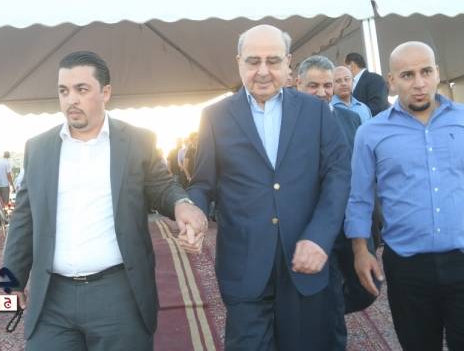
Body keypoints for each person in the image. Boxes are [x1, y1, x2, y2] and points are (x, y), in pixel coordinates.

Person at [3, 51, 208, 351]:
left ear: (106, 92)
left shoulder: (137, 142)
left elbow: (163, 187)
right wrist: (12, 278)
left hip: (118, 295)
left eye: (81, 89)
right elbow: (24, 217)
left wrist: (182, 204)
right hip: (52, 300)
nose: (71, 99)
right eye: (63, 91)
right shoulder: (39, 148)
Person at [188, 25, 351, 350]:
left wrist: (320, 236)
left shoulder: (316, 111)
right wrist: (192, 211)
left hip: (305, 261)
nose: (263, 71)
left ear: (288, 63)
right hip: (245, 267)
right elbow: (202, 183)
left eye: (273, 61)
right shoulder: (215, 116)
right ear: (239, 62)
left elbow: (338, 175)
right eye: (253, 61)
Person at [345, 41, 464, 351]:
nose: (419, 83)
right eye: (407, 75)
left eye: (426, 71)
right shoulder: (370, 133)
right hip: (407, 268)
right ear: (391, 80)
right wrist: (360, 251)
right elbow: (359, 198)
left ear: (437, 72)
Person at [296, 55, 378, 350]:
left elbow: (361, 169)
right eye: (313, 86)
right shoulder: (290, 124)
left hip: (351, 221)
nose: (322, 92)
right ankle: (327, 320)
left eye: (327, 85)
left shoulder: (351, 119)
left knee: (370, 286)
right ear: (298, 84)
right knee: (330, 303)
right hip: (316, 225)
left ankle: (320, 313)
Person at [345, 52, 390, 116]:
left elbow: (378, 106)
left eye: (345, 67)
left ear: (352, 65)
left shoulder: (375, 79)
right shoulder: (351, 83)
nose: (344, 71)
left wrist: (353, 115)